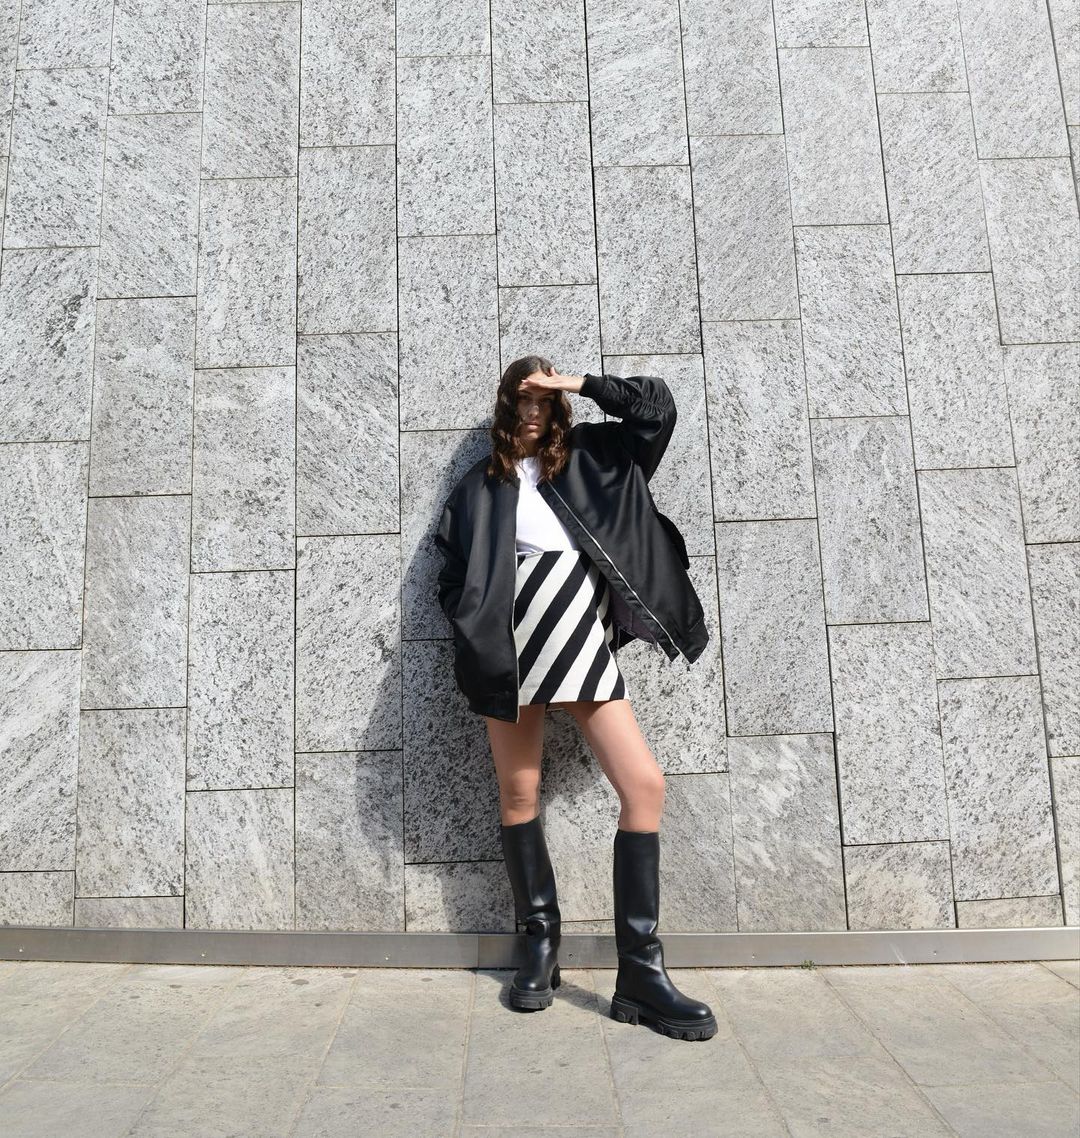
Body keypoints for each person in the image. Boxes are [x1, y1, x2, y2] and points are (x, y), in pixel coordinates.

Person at [433, 355, 717, 1042]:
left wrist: (577, 384)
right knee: (518, 792)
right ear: (504, 407)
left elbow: (657, 408)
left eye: (543, 398)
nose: (532, 410)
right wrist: (474, 626)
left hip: (577, 631)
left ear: (557, 404)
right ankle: (539, 945)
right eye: (521, 398)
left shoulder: (597, 457)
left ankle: (640, 971)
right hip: (509, 645)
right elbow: (452, 573)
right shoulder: (480, 487)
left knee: (643, 786)